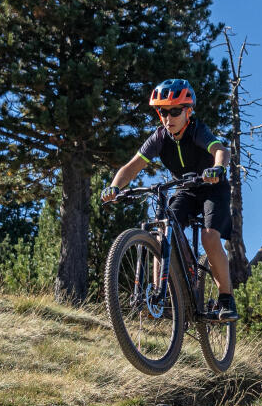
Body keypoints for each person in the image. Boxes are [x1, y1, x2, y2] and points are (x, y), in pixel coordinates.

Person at [100, 79, 238, 321]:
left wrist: (218, 168)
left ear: (188, 111)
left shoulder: (197, 130)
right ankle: (159, 295)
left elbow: (221, 150)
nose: (168, 117)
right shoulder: (160, 137)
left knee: (208, 236)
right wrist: (114, 187)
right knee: (161, 234)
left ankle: (226, 299)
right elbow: (131, 167)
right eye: (163, 111)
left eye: (175, 111)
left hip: (212, 188)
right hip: (185, 189)